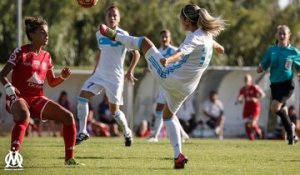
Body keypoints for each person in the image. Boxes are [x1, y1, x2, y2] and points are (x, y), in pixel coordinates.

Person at [99, 4, 225, 169]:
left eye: (181, 19)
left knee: (144, 42)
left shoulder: (193, 37)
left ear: (186, 21)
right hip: (187, 88)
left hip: (170, 77)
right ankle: (178, 155)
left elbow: (181, 53)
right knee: (167, 116)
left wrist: (169, 60)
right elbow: (213, 45)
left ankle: (113, 34)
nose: (180, 22)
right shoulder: (207, 36)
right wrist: (219, 47)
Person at [0, 16, 80, 165]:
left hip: (37, 98)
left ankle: (69, 159)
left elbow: (52, 82)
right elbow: (2, 75)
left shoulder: (47, 57)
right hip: (17, 96)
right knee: (24, 115)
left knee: (68, 117)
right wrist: (8, 88)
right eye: (42, 32)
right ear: (32, 35)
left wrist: (62, 77)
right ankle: (13, 158)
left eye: (47, 32)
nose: (47, 35)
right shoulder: (20, 52)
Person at [76, 5, 140, 146]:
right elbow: (101, 52)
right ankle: (82, 131)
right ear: (105, 17)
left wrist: (130, 71)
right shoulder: (99, 34)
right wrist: (94, 70)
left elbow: (136, 53)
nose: (112, 17)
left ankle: (127, 132)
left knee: (114, 112)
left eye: (115, 15)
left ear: (119, 18)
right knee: (82, 96)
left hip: (115, 78)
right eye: (109, 15)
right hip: (99, 75)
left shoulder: (123, 34)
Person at [257, 25, 300, 145]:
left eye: (284, 34)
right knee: (283, 111)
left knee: (275, 107)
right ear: (276, 35)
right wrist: (261, 67)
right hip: (275, 85)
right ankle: (292, 130)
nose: (281, 36)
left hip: (287, 85)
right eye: (280, 33)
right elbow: (264, 63)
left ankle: (290, 133)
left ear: (288, 35)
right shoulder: (272, 50)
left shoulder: (294, 52)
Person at [147, 29, 190, 143]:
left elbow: (183, 62)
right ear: (160, 38)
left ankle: (155, 136)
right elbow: (154, 64)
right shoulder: (158, 51)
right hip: (163, 83)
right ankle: (183, 134)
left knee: (161, 109)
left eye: (166, 37)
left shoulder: (175, 50)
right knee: (169, 111)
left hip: (172, 82)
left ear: (170, 38)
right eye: (162, 37)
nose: (164, 39)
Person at [236, 74, 265, 140]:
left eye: (247, 79)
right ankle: (251, 140)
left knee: (252, 123)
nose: (246, 81)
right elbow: (240, 96)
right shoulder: (243, 89)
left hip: (255, 107)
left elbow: (263, 95)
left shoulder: (254, 87)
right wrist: (239, 99)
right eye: (245, 79)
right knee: (247, 125)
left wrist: (256, 99)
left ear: (250, 80)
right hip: (247, 107)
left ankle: (259, 131)